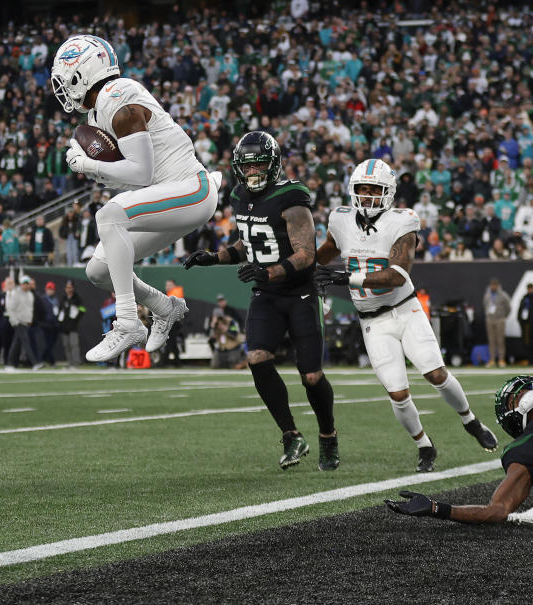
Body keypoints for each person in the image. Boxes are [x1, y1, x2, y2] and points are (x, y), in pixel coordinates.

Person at [315, 159, 498, 472]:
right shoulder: (340, 220)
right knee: (398, 393)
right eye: (363, 189)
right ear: (352, 191)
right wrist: (302, 268)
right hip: (372, 320)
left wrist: (347, 278)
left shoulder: (403, 221)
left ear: (389, 193)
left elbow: (397, 275)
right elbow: (326, 251)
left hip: (405, 310)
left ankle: (470, 421)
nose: (369, 196)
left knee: (435, 373)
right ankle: (424, 446)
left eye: (376, 190)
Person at [51, 34, 220, 362]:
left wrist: (89, 165)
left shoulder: (118, 94)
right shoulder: (98, 113)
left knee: (108, 216)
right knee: (98, 271)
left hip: (192, 189)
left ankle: (128, 321)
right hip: (168, 196)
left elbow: (141, 173)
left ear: (82, 73)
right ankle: (163, 306)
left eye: (66, 78)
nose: (62, 88)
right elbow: (134, 182)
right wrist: (98, 170)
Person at [183, 131, 337, 471]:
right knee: (256, 357)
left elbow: (307, 255)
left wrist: (268, 273)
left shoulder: (292, 197)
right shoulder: (239, 195)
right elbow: (249, 243)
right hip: (267, 295)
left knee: (311, 376)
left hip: (300, 294)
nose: (253, 172)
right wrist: (214, 257)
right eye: (247, 166)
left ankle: (328, 435)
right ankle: (291, 434)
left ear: (274, 164)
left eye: (259, 165)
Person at [385, 376, 533, 523]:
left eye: (515, 399)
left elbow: (497, 511)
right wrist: (435, 507)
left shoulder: (521, 448)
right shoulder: (524, 447)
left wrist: (434, 508)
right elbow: (497, 510)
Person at [6, 274, 43, 370]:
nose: (26, 285)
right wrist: (14, 321)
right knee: (26, 342)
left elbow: (30, 309)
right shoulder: (16, 294)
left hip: (26, 323)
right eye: (24, 284)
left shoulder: (30, 295)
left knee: (16, 343)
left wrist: (29, 321)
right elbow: (11, 308)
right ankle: (34, 363)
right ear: (21, 284)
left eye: (27, 283)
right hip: (18, 322)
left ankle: (9, 363)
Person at [483, 277, 511, 368]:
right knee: (491, 341)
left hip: (500, 319)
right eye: (492, 285)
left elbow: (508, 307)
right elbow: (485, 306)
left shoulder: (503, 295)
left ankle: (501, 359)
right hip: (490, 319)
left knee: (500, 340)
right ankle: (492, 360)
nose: (493, 287)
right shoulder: (487, 295)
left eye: (495, 285)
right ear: (490, 286)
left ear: (498, 286)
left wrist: (503, 316)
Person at [57, 279, 86, 368]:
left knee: (74, 345)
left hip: (73, 326)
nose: (69, 289)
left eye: (70, 287)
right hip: (64, 327)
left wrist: (77, 317)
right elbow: (60, 310)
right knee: (66, 345)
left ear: (73, 288)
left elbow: (83, 309)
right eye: (67, 287)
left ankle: (76, 363)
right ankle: (70, 363)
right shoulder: (63, 298)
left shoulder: (77, 298)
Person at [38, 281, 60, 366]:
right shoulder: (43, 299)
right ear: (46, 290)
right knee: (48, 343)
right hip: (46, 324)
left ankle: (43, 358)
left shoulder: (56, 300)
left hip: (54, 324)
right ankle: (51, 361)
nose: (50, 291)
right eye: (48, 289)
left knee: (51, 344)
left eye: (51, 289)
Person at [517, 283, 533, 365]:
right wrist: (522, 323)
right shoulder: (524, 299)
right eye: (529, 288)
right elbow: (520, 312)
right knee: (528, 343)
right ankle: (530, 360)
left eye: (531, 288)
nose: (530, 290)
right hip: (527, 326)